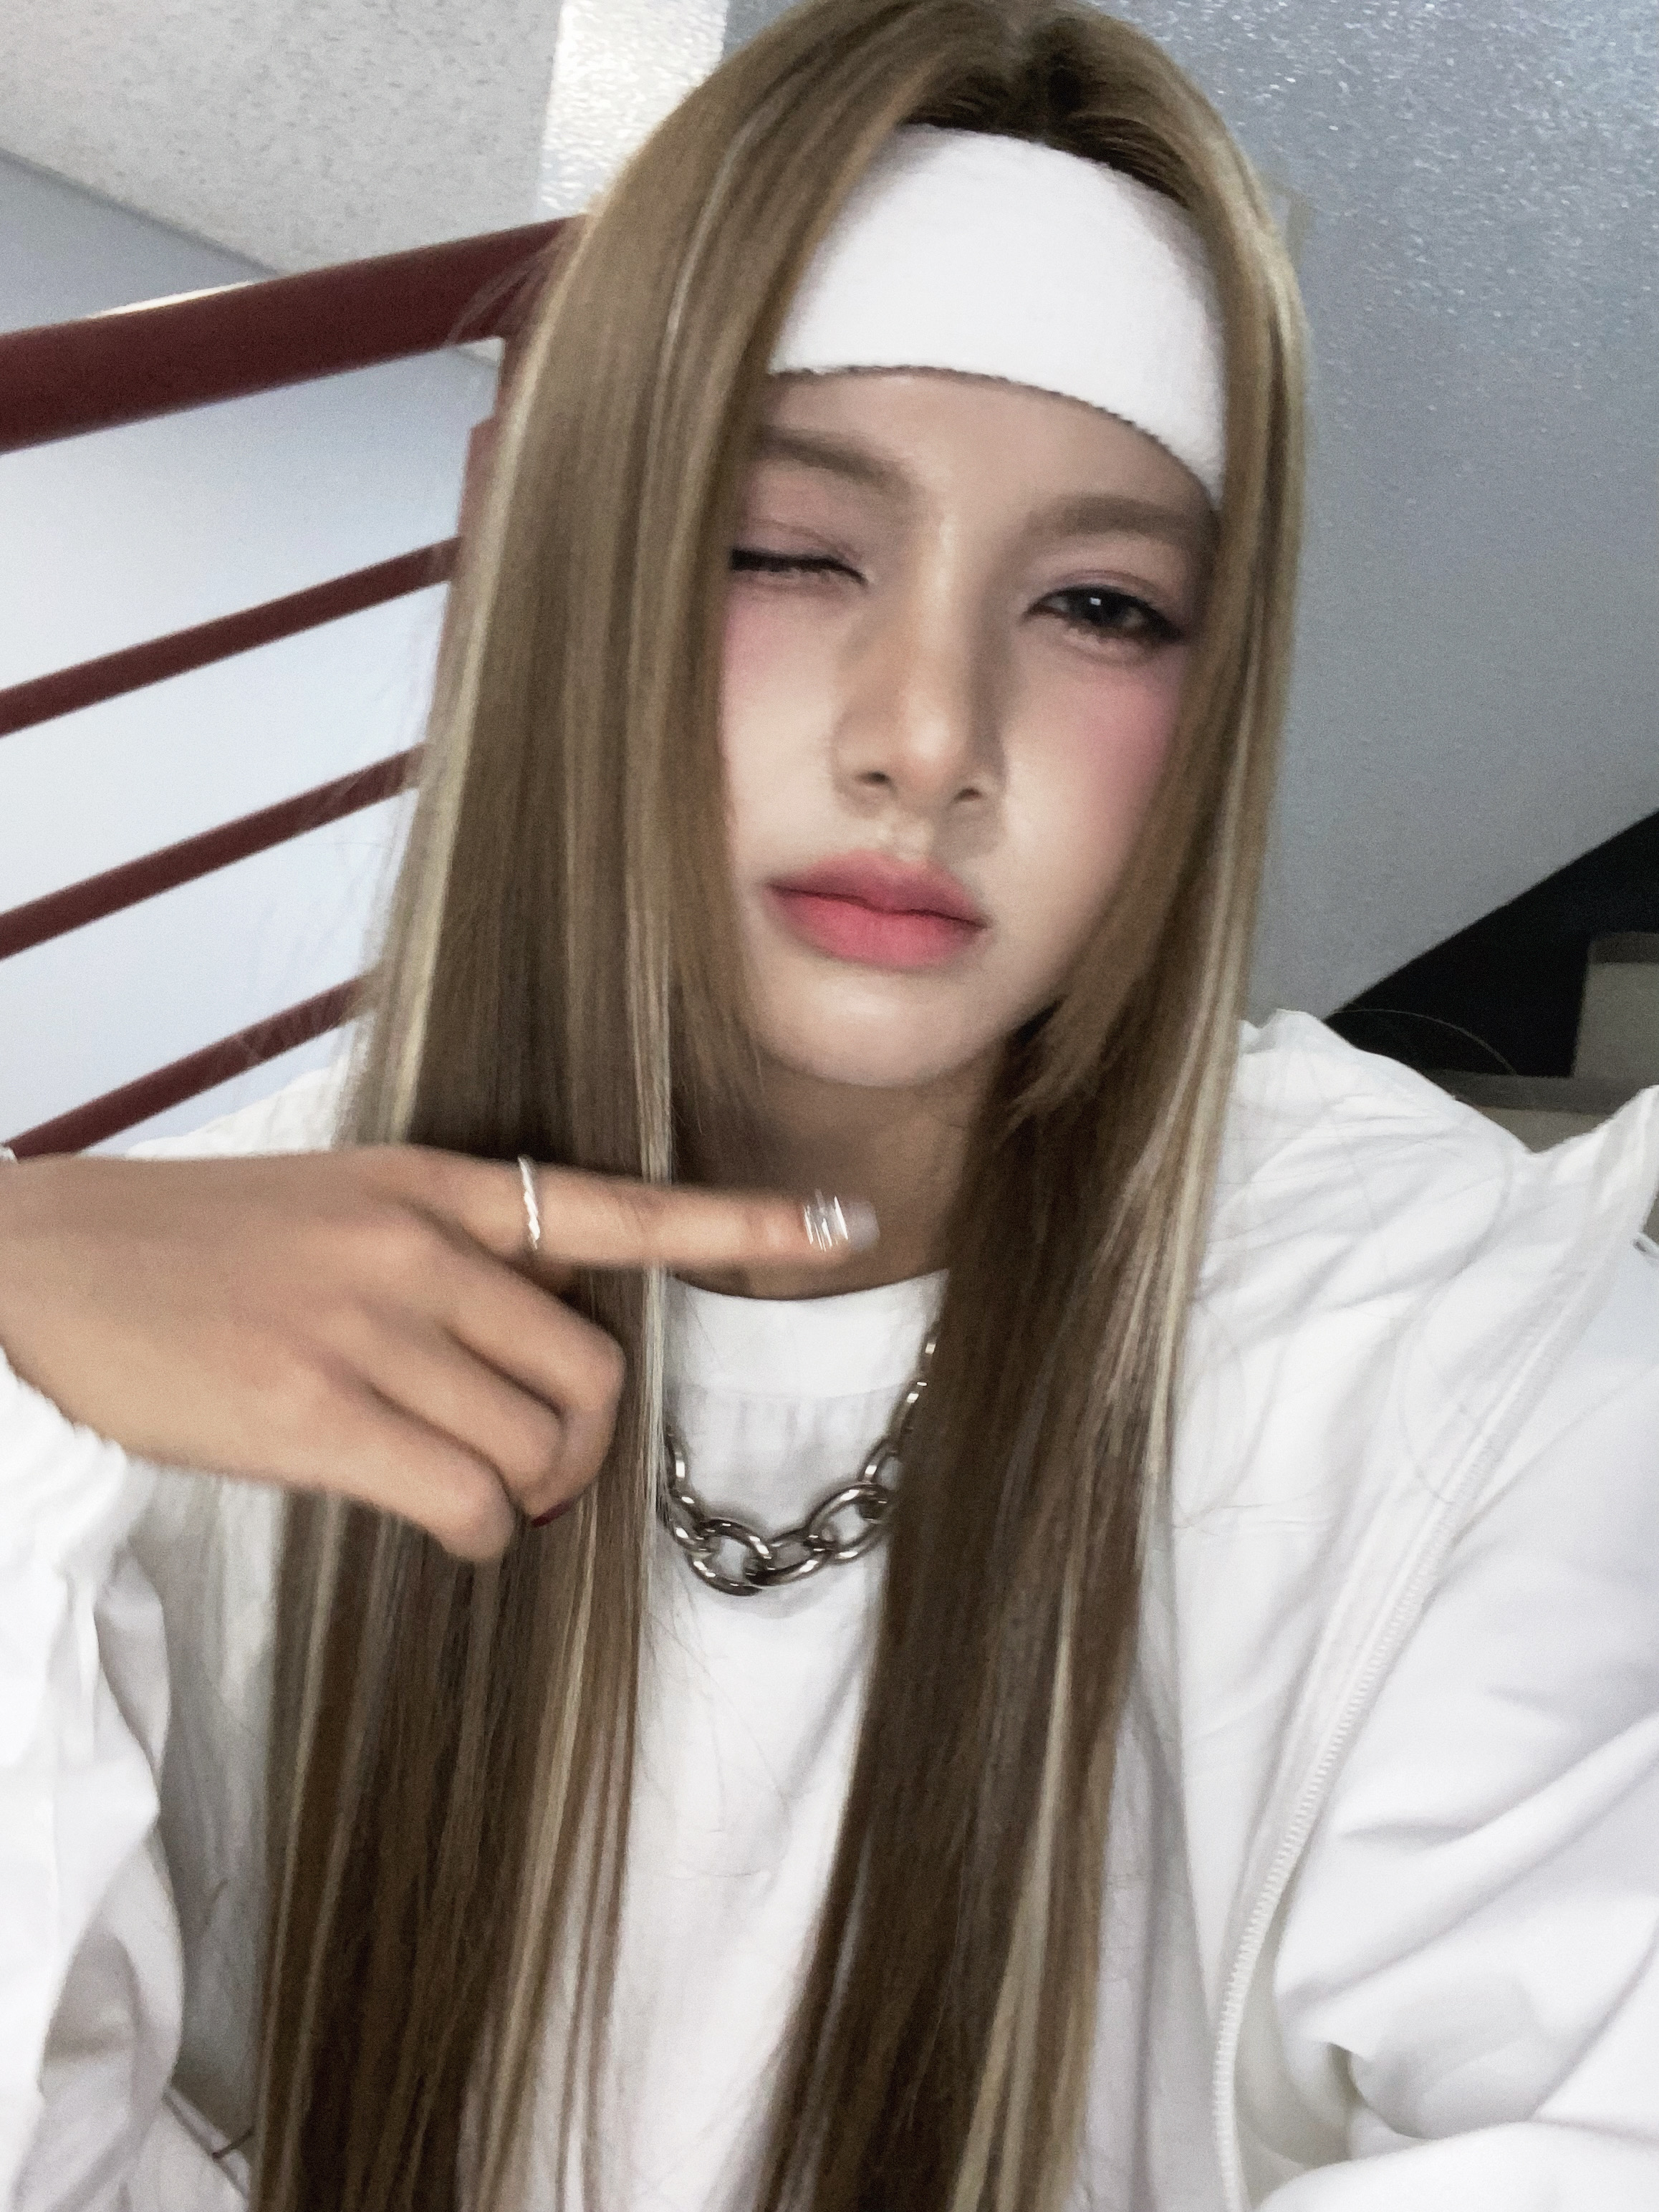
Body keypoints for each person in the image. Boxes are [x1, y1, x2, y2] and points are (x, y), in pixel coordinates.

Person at [2, 1, 1657, 2207]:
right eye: (789, 551)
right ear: (561, 567)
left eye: (1098, 604)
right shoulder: (158, 1366)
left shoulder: (1462, 1365)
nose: (927, 737)